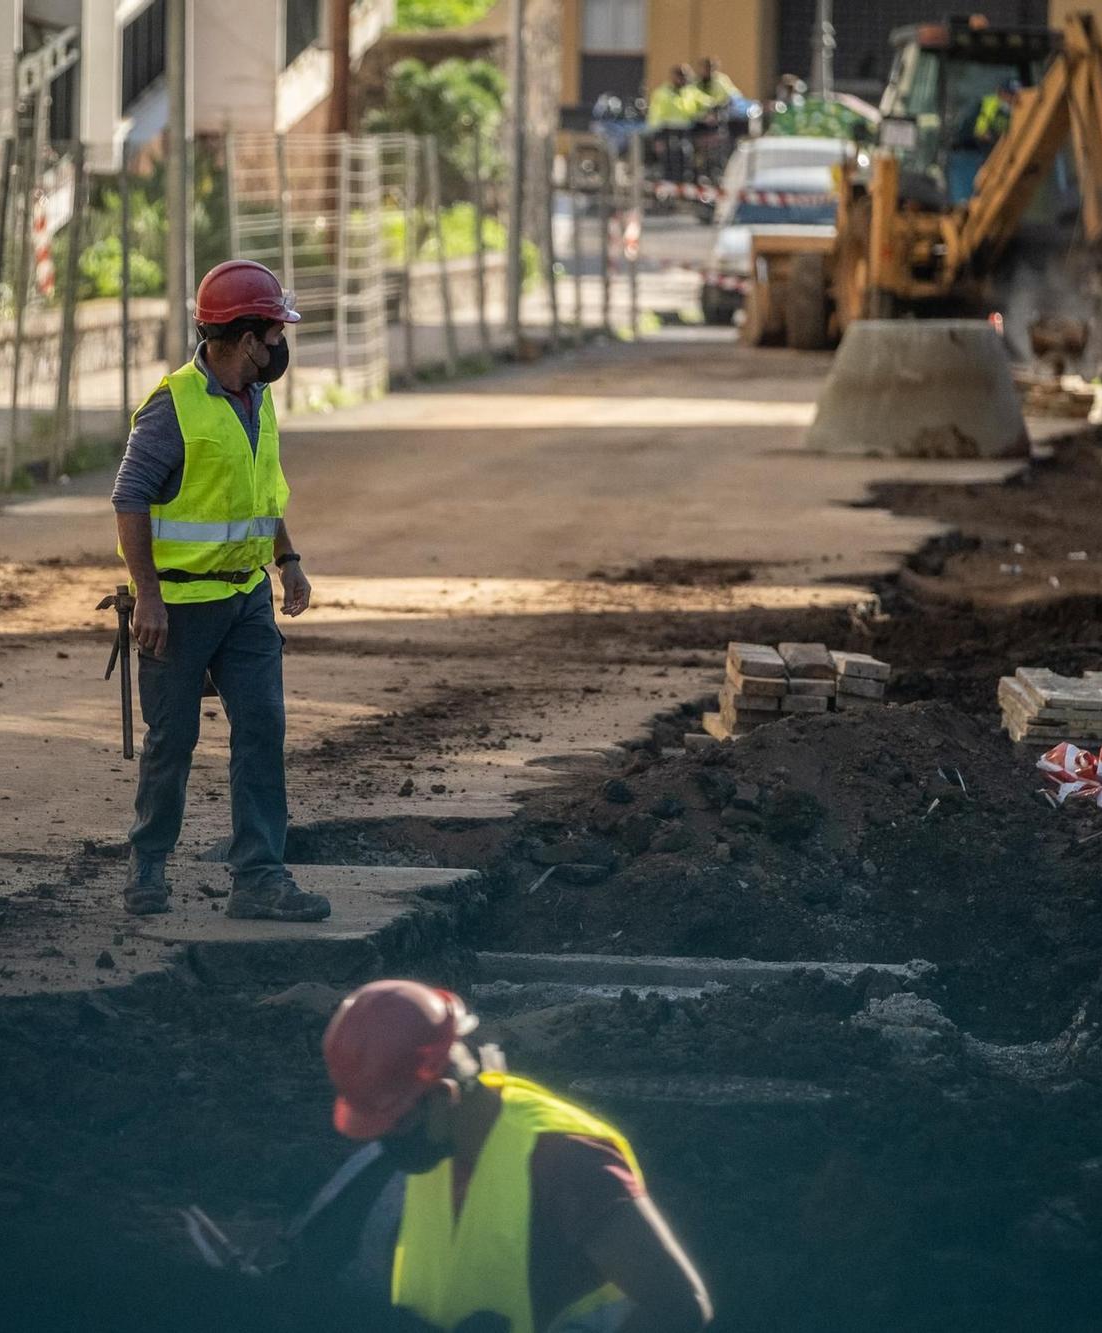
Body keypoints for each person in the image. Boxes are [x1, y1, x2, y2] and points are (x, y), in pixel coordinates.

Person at [109, 259, 329, 923]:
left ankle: (259, 878)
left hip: (245, 600)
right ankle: (148, 864)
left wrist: (285, 556)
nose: (279, 347)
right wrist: (146, 594)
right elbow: (129, 498)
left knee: (262, 726)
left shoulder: (255, 398)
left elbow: (260, 493)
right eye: (272, 334)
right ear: (238, 336)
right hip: (177, 606)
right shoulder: (171, 407)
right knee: (171, 741)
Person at [318, 980, 713, 1333]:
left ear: (443, 1095)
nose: (385, 1138)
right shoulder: (431, 1151)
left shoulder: (568, 1161)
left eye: (396, 1121)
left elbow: (679, 1307)